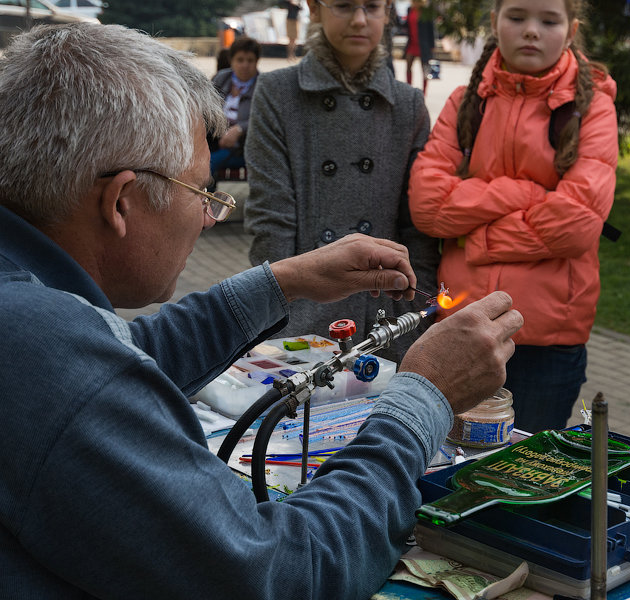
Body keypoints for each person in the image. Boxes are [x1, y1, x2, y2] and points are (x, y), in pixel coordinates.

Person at [0, 22, 523, 599]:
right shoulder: (49, 363)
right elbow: (282, 572)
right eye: (203, 193)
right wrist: (424, 400)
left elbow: (114, 358)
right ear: (121, 201)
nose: (210, 218)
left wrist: (282, 283)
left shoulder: (29, 310)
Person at [408, 0, 617, 433]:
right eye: (517, 17)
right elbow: (428, 205)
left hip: (547, 341)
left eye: (548, 20)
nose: (531, 31)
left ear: (571, 29)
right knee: (449, 466)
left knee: (530, 476)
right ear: (495, 22)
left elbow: (575, 221)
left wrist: (477, 240)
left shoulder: (592, 107)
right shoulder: (466, 102)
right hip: (463, 322)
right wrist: (523, 192)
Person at [244, 0, 439, 365]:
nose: (360, 20)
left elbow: (418, 232)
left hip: (385, 321)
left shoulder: (409, 104)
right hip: (301, 319)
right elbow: (270, 221)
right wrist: (282, 318)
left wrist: (414, 314)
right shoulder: (277, 93)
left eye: (372, 6)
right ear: (315, 9)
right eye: (345, 6)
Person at [209, 36, 261, 182]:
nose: (245, 65)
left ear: (257, 62)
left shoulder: (263, 85)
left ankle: (205, 201)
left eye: (250, 60)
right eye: (240, 60)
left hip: (245, 149)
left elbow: (265, 119)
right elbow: (205, 108)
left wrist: (239, 129)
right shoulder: (221, 79)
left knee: (207, 165)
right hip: (215, 142)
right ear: (231, 60)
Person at [403, 0, 435, 95]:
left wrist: (432, 46)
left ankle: (423, 93)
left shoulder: (426, 11)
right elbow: (406, 25)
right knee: (408, 66)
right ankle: (408, 89)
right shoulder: (410, 10)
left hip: (423, 45)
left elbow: (431, 29)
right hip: (412, 44)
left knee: (425, 69)